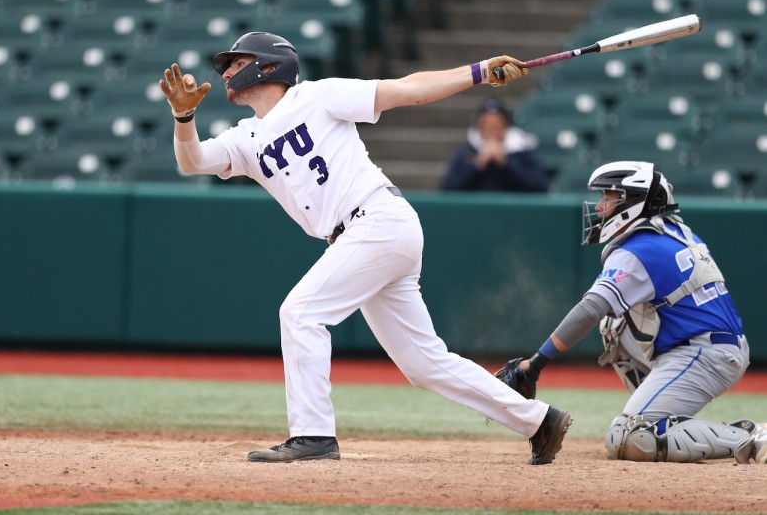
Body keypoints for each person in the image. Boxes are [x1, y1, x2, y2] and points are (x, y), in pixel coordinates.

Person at [159, 31, 572, 464]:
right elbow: (194, 161)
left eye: (236, 62)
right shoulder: (246, 138)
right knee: (423, 364)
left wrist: (479, 71)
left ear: (268, 66)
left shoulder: (318, 97)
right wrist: (183, 117)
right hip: (365, 235)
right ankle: (539, 421)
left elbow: (408, 91)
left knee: (300, 313)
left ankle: (313, 436)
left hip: (375, 220)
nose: (225, 71)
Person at [505, 161, 766, 463]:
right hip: (712, 345)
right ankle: (656, 410)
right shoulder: (674, 230)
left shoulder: (637, 249)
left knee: (630, 437)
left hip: (703, 353)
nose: (601, 206)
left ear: (633, 202)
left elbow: (589, 309)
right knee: (613, 325)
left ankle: (750, 437)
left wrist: (536, 363)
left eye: (609, 197)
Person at [440, 98, 548, 192]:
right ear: (479, 129)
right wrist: (477, 165)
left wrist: (505, 163)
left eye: (497, 126)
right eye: (487, 126)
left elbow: (539, 187)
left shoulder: (524, 153)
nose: (492, 131)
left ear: (506, 128)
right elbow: (447, 188)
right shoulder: (465, 154)